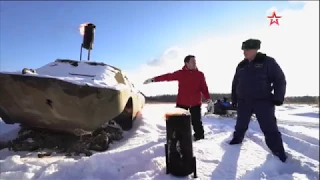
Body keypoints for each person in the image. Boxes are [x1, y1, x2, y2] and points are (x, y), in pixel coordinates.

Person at [230, 39, 288, 162]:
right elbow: (235, 83)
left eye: (247, 49)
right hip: (244, 101)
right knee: (240, 124)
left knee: (269, 127)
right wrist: (234, 98)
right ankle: (237, 140)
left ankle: (278, 151)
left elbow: (280, 79)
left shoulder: (267, 62)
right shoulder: (241, 65)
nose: (244, 52)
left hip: (263, 101)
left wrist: (278, 97)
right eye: (243, 49)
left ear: (255, 49)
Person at [143, 55, 212, 141]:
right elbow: (168, 77)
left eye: (195, 61)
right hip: (182, 103)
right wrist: (154, 79)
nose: (195, 63)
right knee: (179, 122)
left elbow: (204, 88)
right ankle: (179, 139)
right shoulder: (181, 73)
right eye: (192, 62)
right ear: (186, 63)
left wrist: (209, 99)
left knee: (197, 122)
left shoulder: (200, 74)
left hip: (196, 103)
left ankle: (199, 138)